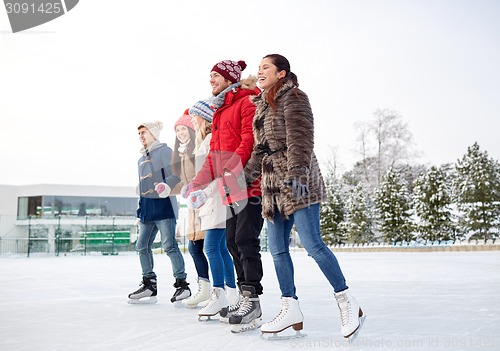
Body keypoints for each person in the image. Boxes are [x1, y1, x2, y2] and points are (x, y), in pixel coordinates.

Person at [243, 54, 365, 340]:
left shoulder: (294, 97)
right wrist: (240, 180)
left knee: (313, 245)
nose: (259, 71)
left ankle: (347, 301)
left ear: (281, 73)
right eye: (258, 67)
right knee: (277, 250)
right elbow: (260, 151)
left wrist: (297, 173)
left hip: (299, 180)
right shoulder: (261, 107)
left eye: (265, 67)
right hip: (273, 185)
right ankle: (290, 307)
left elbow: (302, 139)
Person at [183, 60, 264, 332]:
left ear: (230, 78)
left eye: (215, 75)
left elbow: (248, 141)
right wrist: (197, 182)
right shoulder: (220, 111)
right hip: (229, 187)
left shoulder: (246, 101)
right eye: (210, 76)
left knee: (245, 240)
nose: (211, 80)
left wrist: (231, 168)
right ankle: (242, 296)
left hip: (248, 183)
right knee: (231, 241)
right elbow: (213, 158)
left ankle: (252, 298)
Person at [184, 99, 239, 319]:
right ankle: (230, 294)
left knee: (212, 248)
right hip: (210, 199)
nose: (193, 120)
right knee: (221, 248)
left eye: (195, 116)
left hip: (216, 199)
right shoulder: (203, 142)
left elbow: (215, 172)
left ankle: (220, 295)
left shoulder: (208, 140)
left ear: (205, 118)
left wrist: (203, 192)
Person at [128, 121, 191, 304]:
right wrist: (139, 211)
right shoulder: (141, 160)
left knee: (169, 245)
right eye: (138, 133)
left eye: (144, 132)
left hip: (164, 207)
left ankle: (182, 285)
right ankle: (149, 284)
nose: (141, 136)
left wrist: (166, 184)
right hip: (147, 210)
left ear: (153, 133)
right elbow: (142, 188)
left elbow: (176, 173)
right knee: (141, 246)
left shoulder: (165, 151)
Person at [167, 111, 212, 308]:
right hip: (192, 206)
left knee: (208, 247)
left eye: (183, 128)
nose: (180, 133)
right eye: (177, 130)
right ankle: (205, 286)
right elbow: (181, 181)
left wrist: (195, 186)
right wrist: (170, 187)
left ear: (192, 130)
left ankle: (218, 288)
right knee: (195, 247)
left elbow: (205, 171)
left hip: (205, 201)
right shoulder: (181, 152)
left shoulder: (198, 148)